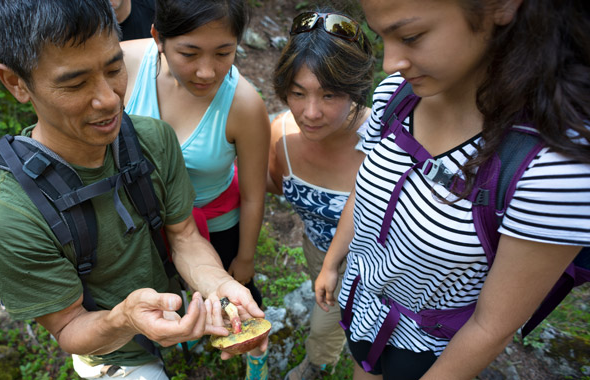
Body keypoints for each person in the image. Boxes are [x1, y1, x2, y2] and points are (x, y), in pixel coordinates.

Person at [0, 1, 265, 379]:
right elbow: (68, 326)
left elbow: (184, 235)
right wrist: (125, 319)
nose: (109, 99)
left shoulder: (154, 140)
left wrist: (220, 284)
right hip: (110, 353)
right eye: (75, 83)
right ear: (16, 82)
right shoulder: (6, 219)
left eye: (114, 69)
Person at [314, 0, 590, 379]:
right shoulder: (398, 94)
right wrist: (333, 264)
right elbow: (364, 193)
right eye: (383, 37)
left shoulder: (555, 170)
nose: (389, 62)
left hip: (431, 348)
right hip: (362, 307)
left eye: (410, 36)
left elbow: (491, 326)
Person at [121, 1, 271, 378]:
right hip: (144, 216)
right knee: (168, 286)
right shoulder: (123, 65)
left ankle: (255, 353)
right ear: (158, 37)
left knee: (237, 293)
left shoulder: (244, 104)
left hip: (216, 218)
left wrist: (246, 258)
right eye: (189, 53)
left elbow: (254, 194)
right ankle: (184, 331)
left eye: (224, 53)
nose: (207, 71)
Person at [266, 9, 374, 380]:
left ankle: (317, 365)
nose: (310, 113)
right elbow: (270, 184)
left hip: (373, 265)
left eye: (329, 95)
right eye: (297, 93)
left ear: (356, 88)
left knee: (327, 323)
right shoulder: (279, 135)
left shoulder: (385, 145)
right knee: (327, 309)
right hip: (315, 249)